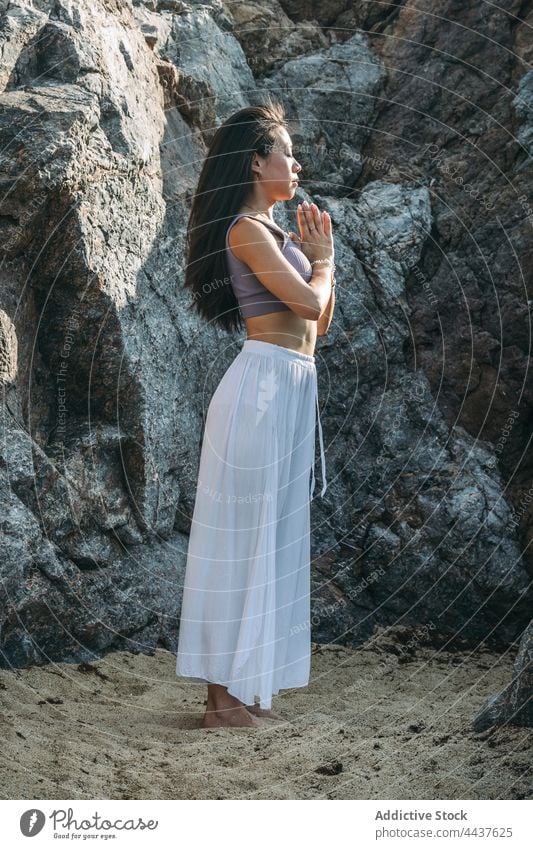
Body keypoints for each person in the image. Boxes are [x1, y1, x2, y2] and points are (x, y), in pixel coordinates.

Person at [176, 96, 336, 728]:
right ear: (255, 163)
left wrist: (323, 254)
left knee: (271, 539)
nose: (296, 166)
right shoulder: (245, 230)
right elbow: (303, 301)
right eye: (287, 155)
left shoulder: (275, 231)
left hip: (292, 383)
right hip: (262, 388)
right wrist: (320, 262)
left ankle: (244, 693)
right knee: (238, 541)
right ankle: (220, 703)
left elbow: (319, 322)